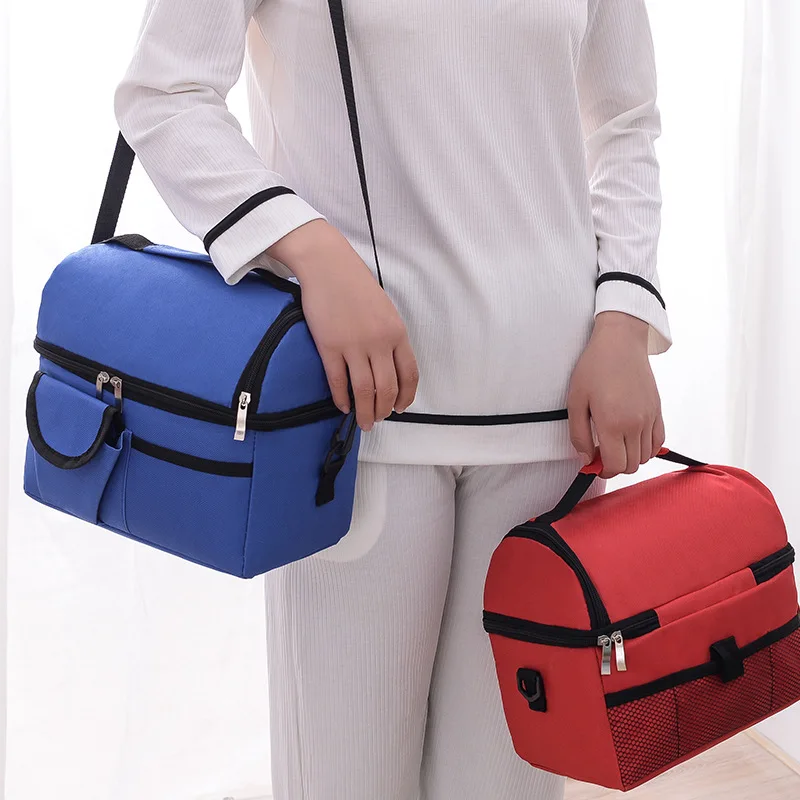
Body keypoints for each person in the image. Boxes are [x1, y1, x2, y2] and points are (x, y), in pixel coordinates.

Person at [114, 1, 670, 797]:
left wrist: (623, 321)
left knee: (509, 785)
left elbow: (624, 121)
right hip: (354, 421)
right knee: (345, 778)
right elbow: (164, 92)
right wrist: (314, 252)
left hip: (552, 426)